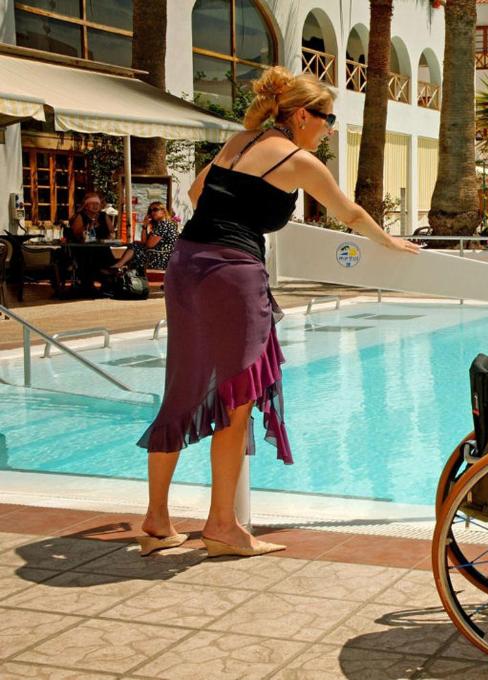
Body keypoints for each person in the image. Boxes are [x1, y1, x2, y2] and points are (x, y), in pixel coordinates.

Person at [135, 66, 421, 559]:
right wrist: (390, 241)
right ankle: (222, 526)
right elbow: (348, 213)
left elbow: (195, 194)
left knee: (182, 388)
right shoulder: (299, 160)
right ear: (303, 115)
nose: (329, 127)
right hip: (231, 272)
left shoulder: (240, 141)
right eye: (328, 118)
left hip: (186, 264)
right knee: (237, 396)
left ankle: (157, 522)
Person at [66, 192, 117, 293]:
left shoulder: (103, 216)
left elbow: (111, 231)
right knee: (90, 255)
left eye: (97, 204)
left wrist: (109, 236)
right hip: (84, 248)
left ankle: (107, 282)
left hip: (102, 247)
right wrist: (89, 225)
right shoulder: (81, 216)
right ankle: (88, 283)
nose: (95, 206)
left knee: (104, 254)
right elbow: (76, 233)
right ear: (86, 205)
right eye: (92, 203)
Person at [109, 201, 179, 272]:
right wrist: (145, 226)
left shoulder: (163, 224)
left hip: (161, 257)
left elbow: (149, 245)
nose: (152, 213)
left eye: (155, 209)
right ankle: (122, 267)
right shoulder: (166, 224)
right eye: (150, 211)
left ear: (163, 211)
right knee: (135, 246)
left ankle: (120, 266)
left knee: (135, 247)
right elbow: (144, 241)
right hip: (163, 257)